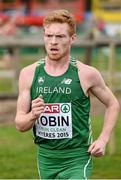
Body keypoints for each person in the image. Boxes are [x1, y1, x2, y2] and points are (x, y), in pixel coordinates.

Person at [15, 10, 119, 179]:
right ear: (44, 37)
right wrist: (33, 114)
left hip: (77, 157)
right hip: (46, 158)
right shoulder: (28, 74)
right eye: (49, 36)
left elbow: (113, 104)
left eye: (60, 36)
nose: (53, 42)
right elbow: (20, 125)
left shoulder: (86, 74)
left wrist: (103, 139)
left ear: (72, 38)